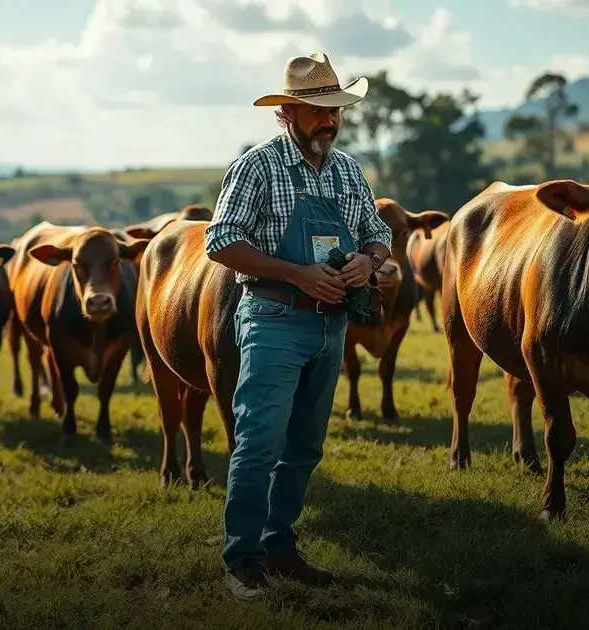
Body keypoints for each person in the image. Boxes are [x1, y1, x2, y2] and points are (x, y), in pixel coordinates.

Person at [204, 51, 393, 601]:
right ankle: (242, 560)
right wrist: (297, 275)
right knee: (258, 443)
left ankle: (280, 546)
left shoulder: (348, 170)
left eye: (335, 109)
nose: (330, 120)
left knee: (305, 446)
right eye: (317, 111)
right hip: (272, 318)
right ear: (286, 112)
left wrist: (369, 260)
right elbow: (221, 242)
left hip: (331, 327)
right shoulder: (258, 167)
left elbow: (377, 231)